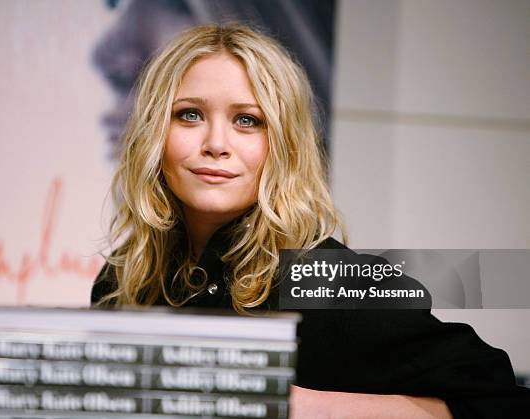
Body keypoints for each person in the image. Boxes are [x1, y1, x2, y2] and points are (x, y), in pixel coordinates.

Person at [91, 23, 530, 418]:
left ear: (284, 145)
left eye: (248, 120)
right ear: (153, 130)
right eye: (190, 114)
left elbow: (497, 401)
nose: (216, 143)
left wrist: (298, 406)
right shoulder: (122, 277)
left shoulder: (326, 279)